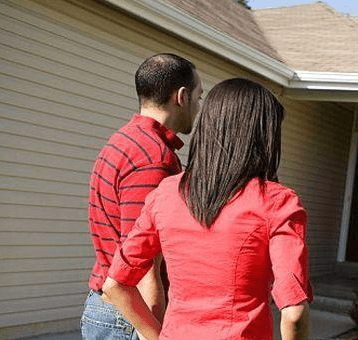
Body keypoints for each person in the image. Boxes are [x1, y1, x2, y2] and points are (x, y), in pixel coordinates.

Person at [101, 78, 312, 340]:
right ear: (262, 136)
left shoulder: (166, 193)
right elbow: (294, 314)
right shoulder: (276, 201)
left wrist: (156, 336)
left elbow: (115, 284)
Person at [81, 53, 201, 340]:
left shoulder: (123, 140)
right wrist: (154, 330)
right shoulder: (153, 158)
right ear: (181, 96)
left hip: (110, 308)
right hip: (131, 316)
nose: (199, 107)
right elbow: (142, 257)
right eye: (199, 96)